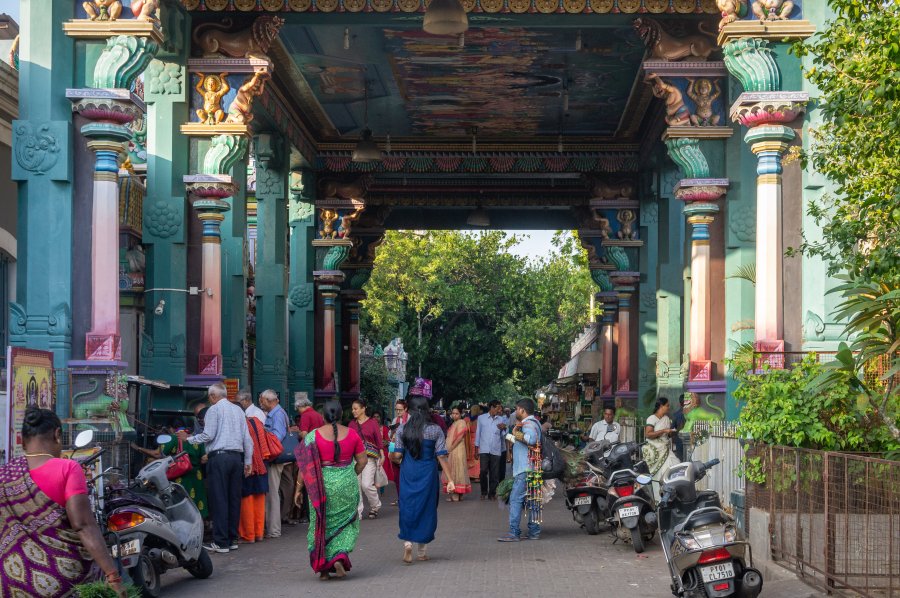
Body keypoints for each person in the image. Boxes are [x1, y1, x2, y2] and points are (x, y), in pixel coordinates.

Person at [0, 407, 126, 597]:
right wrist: (113, 576)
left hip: (14, 583)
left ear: (22, 440)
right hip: (65, 581)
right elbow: (83, 525)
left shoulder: (5, 474)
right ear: (57, 435)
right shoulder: (67, 468)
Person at [294, 399, 367, 581]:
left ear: (323, 416)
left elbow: (305, 467)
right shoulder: (352, 434)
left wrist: (297, 489)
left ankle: (324, 570)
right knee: (345, 524)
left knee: (320, 524)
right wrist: (351, 473)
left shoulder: (312, 436)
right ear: (342, 415)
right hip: (346, 485)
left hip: (320, 488)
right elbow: (363, 461)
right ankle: (339, 558)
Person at [179, 382, 253, 554]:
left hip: (219, 458)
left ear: (213, 396)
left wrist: (188, 438)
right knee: (233, 498)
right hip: (236, 458)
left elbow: (208, 434)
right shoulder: (238, 410)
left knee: (219, 499)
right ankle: (232, 538)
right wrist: (248, 461)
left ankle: (221, 542)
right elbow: (247, 439)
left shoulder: (214, 410)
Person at [391, 396, 456, 563]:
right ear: (427, 410)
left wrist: (391, 455)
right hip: (428, 473)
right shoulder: (435, 430)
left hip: (408, 472)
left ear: (409, 411)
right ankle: (422, 552)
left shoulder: (401, 429)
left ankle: (407, 543)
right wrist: (450, 480)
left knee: (407, 505)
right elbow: (442, 457)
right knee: (427, 508)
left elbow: (397, 455)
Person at [133, 418, 209, 518]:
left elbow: (157, 454)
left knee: (182, 503)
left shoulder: (173, 438)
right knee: (197, 502)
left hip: (181, 478)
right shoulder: (196, 439)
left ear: (171, 429)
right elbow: (204, 459)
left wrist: (138, 448)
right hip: (196, 477)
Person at [498, 399, 541, 542]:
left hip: (525, 468)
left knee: (515, 499)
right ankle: (534, 532)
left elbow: (531, 440)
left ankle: (514, 532)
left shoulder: (528, 424)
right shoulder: (535, 423)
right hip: (534, 468)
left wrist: (515, 431)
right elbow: (521, 442)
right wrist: (508, 434)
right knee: (534, 501)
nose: (515, 411)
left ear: (522, 410)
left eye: (517, 409)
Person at [289, 393, 324, 524]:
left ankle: (308, 514)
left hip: (309, 452)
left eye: (298, 408)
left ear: (302, 406)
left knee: (306, 483)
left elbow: (304, 434)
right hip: (319, 451)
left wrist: (294, 431)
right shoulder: (318, 415)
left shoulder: (305, 416)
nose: (297, 410)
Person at [240, 411, 273, 544]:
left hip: (248, 465)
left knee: (246, 501)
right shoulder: (257, 421)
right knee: (259, 500)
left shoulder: (241, 424)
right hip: (262, 465)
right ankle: (259, 533)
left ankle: (249, 535)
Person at [261, 389, 290, 539]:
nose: (261, 403)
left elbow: (277, 437)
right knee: (273, 492)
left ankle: (273, 529)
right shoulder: (279, 412)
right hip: (277, 457)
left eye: (262, 401)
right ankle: (273, 528)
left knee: (272, 493)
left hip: (274, 458)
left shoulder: (277, 415)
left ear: (268, 401)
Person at [351, 399, 383, 519]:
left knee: (366, 485)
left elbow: (378, 440)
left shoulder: (372, 423)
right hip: (355, 459)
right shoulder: (352, 424)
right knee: (356, 486)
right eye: (353, 409)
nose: (353, 411)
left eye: (356, 408)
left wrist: (382, 455)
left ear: (363, 408)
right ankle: (358, 512)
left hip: (369, 458)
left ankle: (375, 505)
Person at [644, 397, 681, 501]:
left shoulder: (666, 419)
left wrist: (669, 433)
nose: (669, 407)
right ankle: (658, 499)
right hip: (655, 452)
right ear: (661, 406)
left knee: (675, 467)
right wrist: (664, 430)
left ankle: (672, 496)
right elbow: (648, 434)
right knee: (658, 475)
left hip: (665, 450)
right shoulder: (652, 418)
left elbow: (667, 437)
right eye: (667, 405)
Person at [475, 400, 506, 500]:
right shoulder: (481, 418)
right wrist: (476, 449)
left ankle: (492, 493)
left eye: (500, 407)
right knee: (483, 471)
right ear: (492, 407)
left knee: (495, 473)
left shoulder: (501, 419)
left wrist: (504, 429)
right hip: (484, 449)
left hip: (496, 449)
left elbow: (504, 436)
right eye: (498, 407)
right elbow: (478, 434)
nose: (500, 409)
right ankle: (483, 491)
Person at [442, 405, 472, 501]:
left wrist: (450, 448)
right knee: (454, 469)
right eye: (453, 413)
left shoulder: (461, 422)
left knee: (456, 469)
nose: (454, 415)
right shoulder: (455, 423)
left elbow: (459, 438)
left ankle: (456, 494)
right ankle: (457, 494)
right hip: (453, 449)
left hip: (457, 449)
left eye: (456, 413)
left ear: (461, 414)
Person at [388, 399, 409, 505]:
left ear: (406, 409)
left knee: (406, 475)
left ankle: (407, 498)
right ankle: (400, 498)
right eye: (396, 410)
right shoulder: (395, 420)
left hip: (406, 450)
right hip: (394, 447)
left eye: (400, 410)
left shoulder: (410, 419)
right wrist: (392, 434)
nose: (398, 412)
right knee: (397, 476)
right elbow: (389, 435)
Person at [466, 405, 481, 480]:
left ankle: (469, 475)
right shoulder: (479, 419)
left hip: (468, 440)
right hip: (477, 439)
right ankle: (476, 476)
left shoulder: (467, 419)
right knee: (477, 458)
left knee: (470, 457)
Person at [672, 396, 688, 461]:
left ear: (680, 403)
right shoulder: (692, 413)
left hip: (679, 440)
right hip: (691, 440)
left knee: (680, 461)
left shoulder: (676, 414)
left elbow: (672, 429)